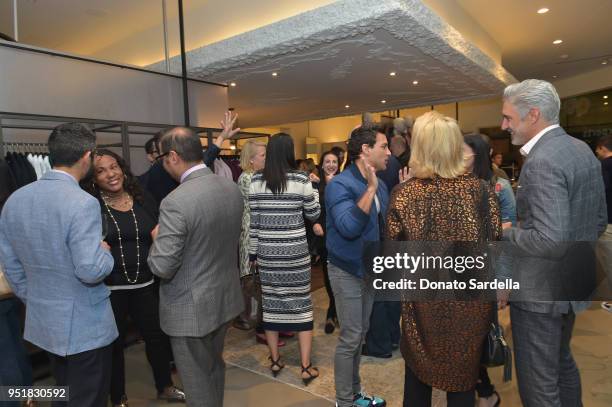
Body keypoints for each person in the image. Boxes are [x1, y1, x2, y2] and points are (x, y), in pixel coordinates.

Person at [499, 79, 607, 406]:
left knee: (538, 387)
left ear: (533, 114)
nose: (503, 125)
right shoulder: (579, 150)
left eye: (508, 117)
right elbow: (598, 220)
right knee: (562, 365)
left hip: (540, 297)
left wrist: (507, 230)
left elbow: (549, 239)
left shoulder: (543, 161)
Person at [385, 111, 502, 407]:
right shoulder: (482, 191)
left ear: (420, 146)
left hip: (423, 300)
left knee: (417, 374)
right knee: (463, 378)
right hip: (470, 301)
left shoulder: (404, 194)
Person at [0, 122, 116, 407]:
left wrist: (37, 298)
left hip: (45, 321)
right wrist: (105, 252)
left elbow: (11, 265)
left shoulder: (15, 200)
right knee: (88, 398)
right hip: (85, 328)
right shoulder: (82, 202)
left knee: (62, 394)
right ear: (88, 156)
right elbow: (90, 270)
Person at [147, 127, 243, 407]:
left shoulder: (176, 201)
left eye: (162, 158)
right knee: (214, 367)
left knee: (197, 380)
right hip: (224, 298)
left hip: (190, 308)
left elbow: (162, 266)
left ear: (173, 156)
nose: (162, 164)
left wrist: (156, 241)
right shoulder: (230, 187)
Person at [83, 149, 184, 406]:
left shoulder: (141, 197)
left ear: (123, 169)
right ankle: (118, 397)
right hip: (111, 289)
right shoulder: (91, 205)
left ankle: (165, 386)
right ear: (93, 178)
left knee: (156, 338)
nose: (110, 174)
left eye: (114, 167)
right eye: (101, 171)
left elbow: (157, 228)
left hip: (145, 284)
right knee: (114, 346)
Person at [248, 133, 321, 384]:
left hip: (268, 254)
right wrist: (316, 189)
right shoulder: (301, 178)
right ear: (289, 152)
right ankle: (305, 365)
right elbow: (314, 213)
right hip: (295, 253)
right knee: (301, 305)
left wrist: (252, 253)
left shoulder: (256, 180)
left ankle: (276, 360)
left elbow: (254, 223)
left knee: (271, 305)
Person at [325, 124, 390, 407]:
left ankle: (354, 393)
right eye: (383, 146)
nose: (388, 152)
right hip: (346, 270)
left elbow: (383, 227)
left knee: (360, 334)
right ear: (365, 150)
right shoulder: (340, 184)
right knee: (350, 338)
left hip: (370, 270)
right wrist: (370, 189)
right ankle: (344, 401)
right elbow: (349, 226)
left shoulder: (382, 183)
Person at [463, 133, 516, 407]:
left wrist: (504, 281)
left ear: (479, 155)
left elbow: (508, 235)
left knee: (480, 337)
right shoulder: (455, 185)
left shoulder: (499, 187)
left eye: (465, 152)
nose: (459, 156)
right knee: (463, 338)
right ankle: (483, 391)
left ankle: (484, 391)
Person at [234, 140, 287, 346]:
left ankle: (275, 326)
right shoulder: (247, 178)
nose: (268, 159)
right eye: (264, 156)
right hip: (252, 238)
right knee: (259, 287)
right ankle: (263, 329)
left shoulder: (261, 176)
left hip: (265, 238)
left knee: (269, 285)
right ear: (252, 159)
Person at [141, 111, 240, 206]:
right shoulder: (158, 171)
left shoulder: (178, 168)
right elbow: (205, 160)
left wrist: (221, 137)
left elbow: (205, 159)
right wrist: (221, 137)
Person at [312, 150, 340, 334]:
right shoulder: (315, 186)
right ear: (321, 165)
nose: (331, 164)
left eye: (334, 161)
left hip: (340, 235)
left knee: (340, 276)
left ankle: (333, 313)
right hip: (324, 237)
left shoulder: (343, 183)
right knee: (328, 276)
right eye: (327, 161)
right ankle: (333, 311)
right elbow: (310, 208)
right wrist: (314, 223)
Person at [595, 135, 612, 312]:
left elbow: (600, 192)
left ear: (602, 148)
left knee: (609, 262)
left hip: (609, 221)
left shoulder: (604, 166)